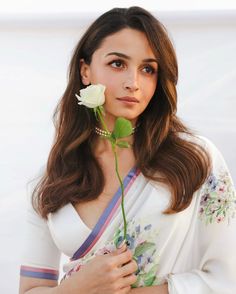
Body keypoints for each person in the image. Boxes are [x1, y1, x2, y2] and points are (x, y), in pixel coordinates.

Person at [19, 6, 236, 294]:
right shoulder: (52, 178)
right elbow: (30, 289)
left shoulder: (195, 160)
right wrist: (77, 288)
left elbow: (227, 278)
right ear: (85, 70)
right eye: (117, 64)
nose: (133, 83)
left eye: (148, 69)